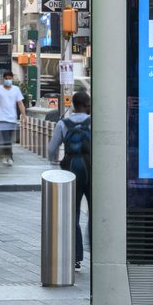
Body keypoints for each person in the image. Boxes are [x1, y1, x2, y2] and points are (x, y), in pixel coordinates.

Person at [47, 89, 92, 270]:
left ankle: (76, 257)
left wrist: (53, 162)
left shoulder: (63, 123)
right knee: (95, 213)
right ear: (87, 104)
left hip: (70, 171)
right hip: (91, 170)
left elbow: (52, 149)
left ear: (73, 104)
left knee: (72, 215)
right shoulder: (92, 122)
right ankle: (98, 252)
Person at [0, 71, 25, 166]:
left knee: (8, 138)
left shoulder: (16, 90)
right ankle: (10, 156)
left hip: (12, 118)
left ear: (12, 79)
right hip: (2, 118)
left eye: (10, 78)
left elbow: (20, 103)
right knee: (6, 139)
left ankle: (6, 155)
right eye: (6, 78)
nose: (8, 80)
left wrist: (24, 115)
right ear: (3, 79)